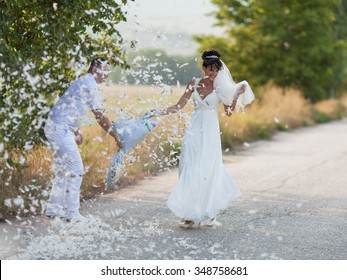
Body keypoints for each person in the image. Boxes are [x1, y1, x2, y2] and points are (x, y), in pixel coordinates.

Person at [148, 49, 254, 228]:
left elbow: (228, 112)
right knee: (189, 167)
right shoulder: (193, 83)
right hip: (194, 130)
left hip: (211, 132)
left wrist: (235, 95)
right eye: (210, 69)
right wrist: (158, 112)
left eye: (216, 70)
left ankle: (207, 211)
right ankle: (189, 213)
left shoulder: (220, 87)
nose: (213, 73)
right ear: (203, 67)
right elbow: (179, 105)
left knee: (207, 169)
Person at [44, 57, 122, 222]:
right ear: (94, 70)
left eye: (109, 70)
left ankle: (54, 209)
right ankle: (72, 214)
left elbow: (71, 106)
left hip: (56, 127)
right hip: (60, 130)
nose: (107, 74)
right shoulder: (90, 85)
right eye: (104, 70)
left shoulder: (84, 81)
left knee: (62, 169)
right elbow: (100, 116)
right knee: (76, 169)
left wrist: (77, 130)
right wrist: (116, 136)